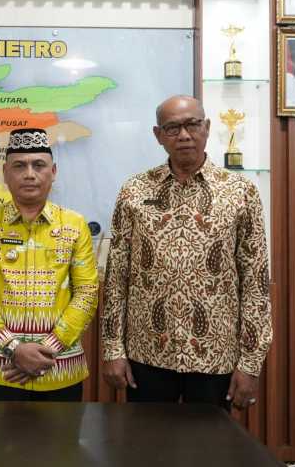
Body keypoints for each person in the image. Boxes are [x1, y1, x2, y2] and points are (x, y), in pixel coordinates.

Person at [101, 95, 272, 410]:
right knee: (145, 438)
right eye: (172, 128)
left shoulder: (240, 192)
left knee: (210, 441)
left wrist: (251, 362)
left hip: (215, 355)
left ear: (206, 127)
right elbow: (116, 277)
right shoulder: (134, 191)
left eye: (192, 125)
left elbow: (255, 282)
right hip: (147, 353)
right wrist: (113, 349)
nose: (184, 135)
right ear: (158, 135)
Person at [0, 128, 99, 401]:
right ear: (5, 172)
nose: (29, 174)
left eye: (39, 165)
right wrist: (14, 349)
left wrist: (46, 351)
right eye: (19, 166)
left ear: (53, 171)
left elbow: (87, 293)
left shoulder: (74, 224)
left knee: (63, 432)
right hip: (0, 368)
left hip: (59, 367)